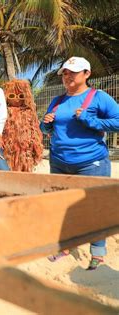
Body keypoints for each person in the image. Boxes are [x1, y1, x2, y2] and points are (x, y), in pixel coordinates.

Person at [40, 56, 119, 270]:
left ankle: (98, 253)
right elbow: (46, 129)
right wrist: (46, 124)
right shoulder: (57, 101)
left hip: (91, 162)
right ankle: (66, 246)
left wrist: (91, 121)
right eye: (65, 72)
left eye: (73, 72)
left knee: (96, 208)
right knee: (63, 207)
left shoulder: (98, 97)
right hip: (58, 162)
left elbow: (117, 121)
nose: (67, 76)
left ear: (87, 74)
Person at [1, 80, 43, 171]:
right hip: (8, 150)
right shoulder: (4, 112)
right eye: (12, 96)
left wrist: (35, 148)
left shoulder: (29, 113)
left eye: (21, 96)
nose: (16, 99)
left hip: (25, 152)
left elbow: (35, 131)